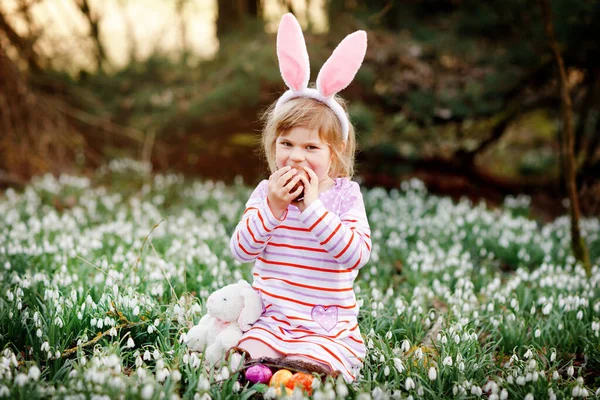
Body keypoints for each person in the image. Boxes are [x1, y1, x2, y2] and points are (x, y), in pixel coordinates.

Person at [229, 13, 371, 383]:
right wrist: (274, 208)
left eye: (311, 147)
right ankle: (262, 372)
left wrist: (311, 207)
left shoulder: (344, 196)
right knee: (248, 351)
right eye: (286, 144)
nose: (296, 156)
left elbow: (356, 255)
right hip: (272, 316)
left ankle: (302, 373)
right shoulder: (266, 192)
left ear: (334, 153)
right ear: (273, 145)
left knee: (313, 357)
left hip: (325, 321)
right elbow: (241, 251)